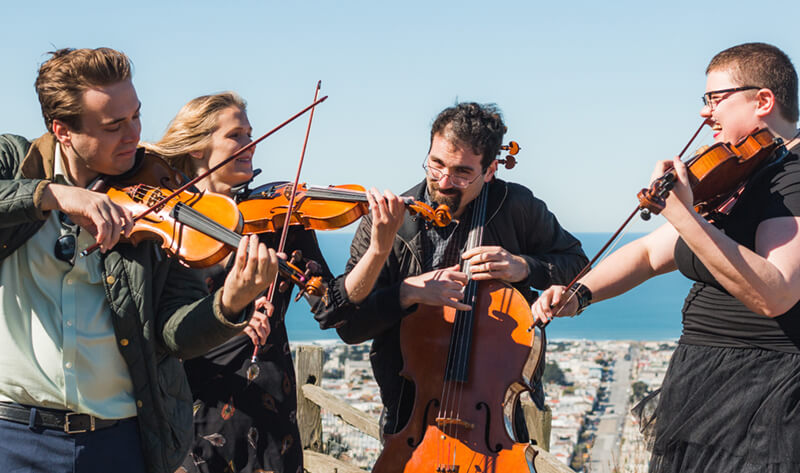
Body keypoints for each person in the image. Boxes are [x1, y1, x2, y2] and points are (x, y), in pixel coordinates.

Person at [0, 49, 280, 473]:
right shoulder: (14, 161)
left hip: (118, 441)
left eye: (136, 116)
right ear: (63, 131)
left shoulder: (157, 193)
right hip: (15, 438)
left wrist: (229, 305)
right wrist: (53, 195)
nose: (134, 135)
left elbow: (173, 333)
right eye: (114, 125)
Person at [532, 42, 800, 472]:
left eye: (716, 99)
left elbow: (776, 293)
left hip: (760, 395)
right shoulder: (743, 176)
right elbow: (649, 253)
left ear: (763, 100)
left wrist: (681, 210)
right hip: (707, 381)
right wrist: (579, 295)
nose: (704, 113)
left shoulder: (793, 176)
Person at [148, 91, 407, 473]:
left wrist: (379, 249)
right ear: (199, 147)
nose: (251, 144)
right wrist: (227, 316)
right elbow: (156, 327)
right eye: (236, 135)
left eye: (251, 133)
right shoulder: (169, 227)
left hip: (273, 413)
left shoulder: (280, 220)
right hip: (196, 411)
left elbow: (333, 306)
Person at [314, 102, 588, 440]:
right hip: (409, 411)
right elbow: (350, 327)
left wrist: (524, 267)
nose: (443, 182)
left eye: (462, 172)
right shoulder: (387, 222)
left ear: (490, 171)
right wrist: (407, 292)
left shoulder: (517, 207)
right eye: (436, 164)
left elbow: (577, 263)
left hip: (496, 413)